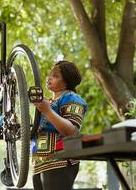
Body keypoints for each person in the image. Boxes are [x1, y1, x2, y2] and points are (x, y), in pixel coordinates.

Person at [31, 60, 87, 190]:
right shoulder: (48, 102)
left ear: (66, 81)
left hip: (60, 161)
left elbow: (72, 131)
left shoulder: (72, 98)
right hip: (40, 163)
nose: (49, 77)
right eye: (50, 74)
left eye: (55, 76)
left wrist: (47, 111)